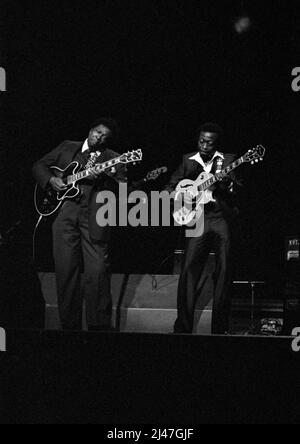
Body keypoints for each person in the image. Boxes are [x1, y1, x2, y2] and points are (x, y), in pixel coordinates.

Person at [33, 118, 127, 331]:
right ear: (90, 130)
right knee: (66, 270)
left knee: (98, 271)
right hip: (64, 213)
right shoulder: (67, 146)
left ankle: (99, 325)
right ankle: (70, 326)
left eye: (104, 136)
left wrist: (109, 177)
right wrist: (50, 180)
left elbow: (123, 192)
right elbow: (39, 165)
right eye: (97, 132)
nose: (98, 137)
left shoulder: (114, 158)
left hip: (94, 214)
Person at [165, 122, 241, 334]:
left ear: (216, 144)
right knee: (189, 269)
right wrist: (183, 196)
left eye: (209, 142)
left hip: (220, 219)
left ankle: (219, 328)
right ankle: (183, 327)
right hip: (197, 218)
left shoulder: (228, 160)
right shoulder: (187, 160)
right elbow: (170, 187)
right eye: (201, 141)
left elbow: (239, 190)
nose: (204, 145)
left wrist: (226, 183)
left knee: (224, 271)